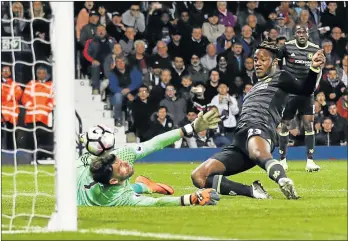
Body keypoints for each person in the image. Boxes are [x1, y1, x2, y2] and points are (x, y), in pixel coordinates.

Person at [190, 40, 325, 200]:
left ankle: (283, 180)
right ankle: (253, 191)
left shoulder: (281, 77)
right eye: (255, 60)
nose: (257, 63)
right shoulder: (255, 86)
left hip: (260, 127)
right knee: (199, 176)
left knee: (257, 152)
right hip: (239, 140)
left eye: (263, 59)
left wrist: (314, 68)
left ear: (274, 62)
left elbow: (305, 89)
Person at [77, 109, 221, 206]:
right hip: (85, 193)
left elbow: (154, 144)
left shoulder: (118, 156)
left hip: (79, 173)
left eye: (120, 161)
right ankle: (145, 186)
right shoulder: (118, 198)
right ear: (113, 180)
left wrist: (191, 128)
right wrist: (193, 198)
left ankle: (145, 185)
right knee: (128, 188)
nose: (125, 163)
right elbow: (155, 202)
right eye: (120, 166)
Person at [277, 25, 321, 172]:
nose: (301, 34)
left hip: (307, 93)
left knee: (309, 124)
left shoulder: (315, 48)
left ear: (308, 34)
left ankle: (310, 161)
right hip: (290, 92)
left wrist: (316, 83)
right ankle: (282, 160)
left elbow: (319, 68)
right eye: (299, 32)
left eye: (304, 32)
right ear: (295, 34)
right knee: (285, 124)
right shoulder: (287, 47)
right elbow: (276, 61)